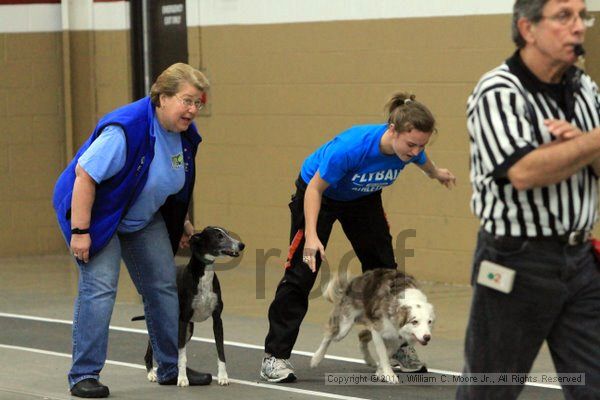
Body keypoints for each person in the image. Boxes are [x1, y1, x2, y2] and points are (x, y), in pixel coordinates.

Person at [259, 92, 457, 382]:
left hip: (362, 199)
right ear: (393, 130)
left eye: (421, 145)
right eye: (411, 144)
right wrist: (312, 237)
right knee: (302, 272)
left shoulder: (411, 149)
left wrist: (436, 173)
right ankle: (275, 356)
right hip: (319, 196)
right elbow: (314, 190)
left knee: (387, 273)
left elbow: (422, 160)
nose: (415, 151)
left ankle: (398, 347)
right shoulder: (351, 148)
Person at [458, 0, 600, 399]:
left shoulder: (584, 87)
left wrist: (581, 145)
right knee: (491, 388)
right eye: (563, 17)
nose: (578, 27)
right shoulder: (499, 91)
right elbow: (524, 172)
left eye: (582, 16)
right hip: (515, 260)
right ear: (528, 28)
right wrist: (589, 144)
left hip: (580, 261)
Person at [52, 63, 212, 398]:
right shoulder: (126, 130)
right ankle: (83, 374)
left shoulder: (184, 136)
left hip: (139, 215)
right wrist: (81, 231)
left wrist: (181, 221)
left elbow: (165, 183)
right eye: (187, 101)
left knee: (163, 285)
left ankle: (170, 367)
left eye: (198, 103)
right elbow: (85, 178)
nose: (193, 110)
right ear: (162, 97)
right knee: (100, 289)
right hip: (96, 214)